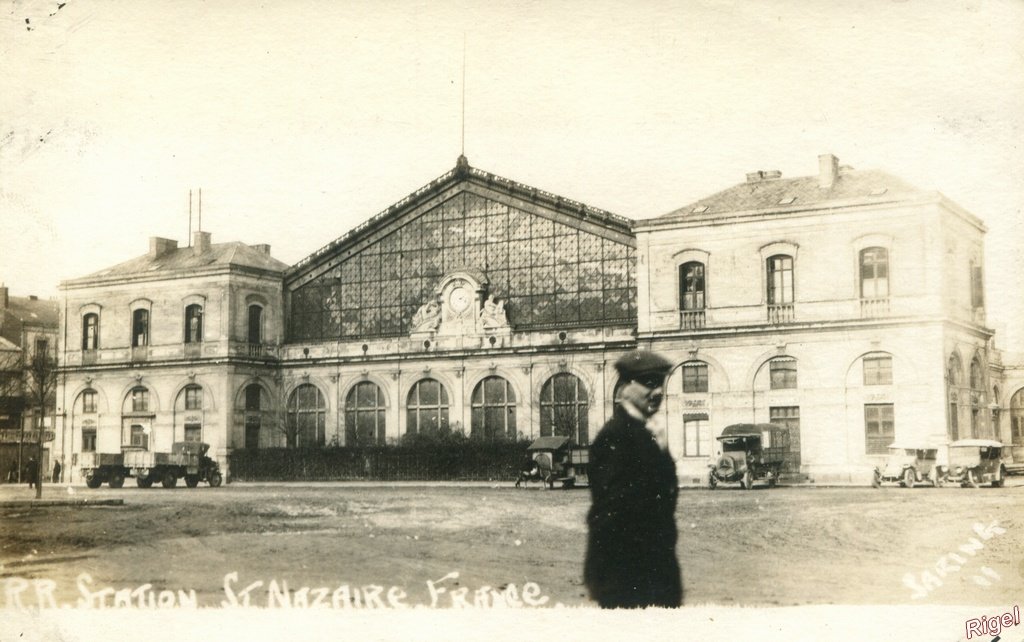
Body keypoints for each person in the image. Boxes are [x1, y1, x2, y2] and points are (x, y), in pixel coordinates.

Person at [583, 350, 682, 608]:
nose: (657, 391)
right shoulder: (615, 436)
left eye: (659, 383)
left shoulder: (646, 432)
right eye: (649, 383)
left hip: (651, 573)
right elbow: (612, 516)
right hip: (627, 576)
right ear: (626, 387)